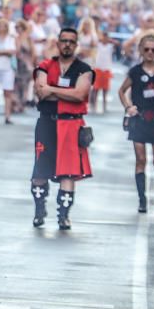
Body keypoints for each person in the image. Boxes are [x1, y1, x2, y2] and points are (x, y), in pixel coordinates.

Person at [31, 28, 94, 230]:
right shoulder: (45, 66)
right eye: (63, 41)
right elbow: (41, 93)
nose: (67, 44)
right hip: (47, 122)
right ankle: (39, 210)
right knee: (40, 171)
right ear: (57, 44)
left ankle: (63, 215)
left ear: (76, 45)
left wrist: (52, 89)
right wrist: (64, 92)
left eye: (71, 41)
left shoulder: (84, 69)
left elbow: (80, 95)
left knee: (68, 172)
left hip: (71, 124)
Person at [118, 33, 154, 214]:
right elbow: (122, 90)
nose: (150, 52)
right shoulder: (135, 71)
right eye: (147, 49)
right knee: (140, 159)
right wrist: (128, 107)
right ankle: (142, 200)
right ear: (141, 50)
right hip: (139, 119)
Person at [92, 28, 115, 113]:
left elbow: (117, 45)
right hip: (98, 68)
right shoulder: (98, 44)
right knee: (96, 89)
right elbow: (94, 43)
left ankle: (104, 106)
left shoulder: (110, 46)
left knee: (105, 89)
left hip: (106, 68)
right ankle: (94, 106)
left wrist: (111, 41)